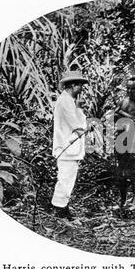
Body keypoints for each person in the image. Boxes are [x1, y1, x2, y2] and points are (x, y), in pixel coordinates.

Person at [51, 71, 89, 220]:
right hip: (66, 148)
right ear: (72, 85)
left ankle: (62, 208)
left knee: (67, 179)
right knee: (65, 180)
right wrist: (80, 109)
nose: (81, 88)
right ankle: (60, 210)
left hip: (69, 149)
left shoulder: (67, 100)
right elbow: (78, 126)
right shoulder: (66, 102)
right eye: (80, 85)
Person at [114, 77, 135, 210]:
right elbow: (116, 112)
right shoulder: (124, 101)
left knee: (134, 171)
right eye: (128, 88)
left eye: (133, 88)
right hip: (122, 139)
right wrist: (128, 117)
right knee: (122, 172)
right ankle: (123, 199)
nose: (130, 91)